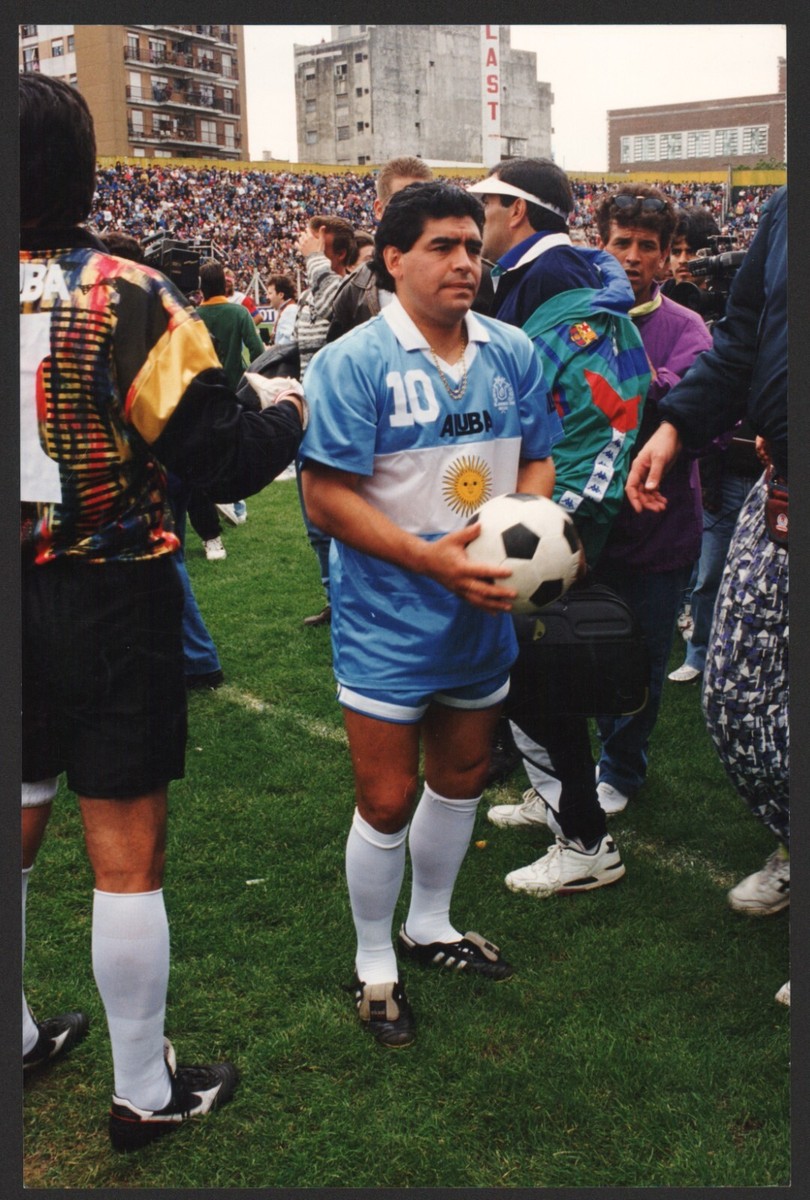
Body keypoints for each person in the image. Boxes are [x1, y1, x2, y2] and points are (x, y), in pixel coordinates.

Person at [20, 74, 306, 1149]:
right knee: (124, 847)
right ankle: (144, 1088)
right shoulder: (131, 294)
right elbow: (216, 454)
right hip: (111, 591)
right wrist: (289, 409)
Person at [299, 182, 563, 1046]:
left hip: (480, 609)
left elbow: (538, 464)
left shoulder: (514, 350)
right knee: (385, 798)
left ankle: (432, 924)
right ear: (394, 258)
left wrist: (517, 542)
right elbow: (325, 494)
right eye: (444, 247)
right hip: (385, 617)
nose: (464, 263)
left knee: (459, 779)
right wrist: (428, 559)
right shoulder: (354, 362)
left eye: (472, 247)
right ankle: (375, 959)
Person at [467, 158, 650, 896]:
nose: (474, 215)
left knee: (540, 671)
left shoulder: (556, 282)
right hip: (535, 502)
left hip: (555, 513)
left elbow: (612, 409)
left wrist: (561, 516)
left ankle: (586, 840)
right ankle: (557, 801)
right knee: (521, 670)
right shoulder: (534, 277)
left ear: (518, 209)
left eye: (485, 202)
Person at [625, 186, 788, 1004]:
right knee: (737, 697)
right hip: (783, 487)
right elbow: (746, 338)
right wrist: (678, 427)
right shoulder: (787, 209)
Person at [586, 185, 712, 814]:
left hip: (658, 530)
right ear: (599, 246)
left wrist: (610, 390)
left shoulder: (686, 328)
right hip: (583, 528)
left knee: (637, 660)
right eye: (620, 243)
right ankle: (576, 770)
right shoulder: (576, 319)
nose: (633, 257)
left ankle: (622, 771)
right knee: (579, 650)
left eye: (648, 247)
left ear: (666, 258)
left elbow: (678, 409)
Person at [294, 215, 358, 626]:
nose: (306, 245)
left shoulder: (348, 286)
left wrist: (315, 259)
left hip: (339, 421)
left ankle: (353, 602)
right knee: (316, 524)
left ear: (337, 253)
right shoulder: (309, 293)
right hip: (306, 420)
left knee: (343, 521)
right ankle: (333, 601)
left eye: (317, 241)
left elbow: (333, 296)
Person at [327, 156, 435, 343]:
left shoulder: (466, 277)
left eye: (424, 202)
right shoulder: (354, 290)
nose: (414, 212)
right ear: (379, 209)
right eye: (402, 201)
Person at [196, 260, 266, 531]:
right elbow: (258, 350)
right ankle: (236, 502)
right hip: (234, 387)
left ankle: (214, 496)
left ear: (201, 287)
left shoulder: (193, 315)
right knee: (234, 446)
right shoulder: (238, 313)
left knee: (206, 444)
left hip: (202, 388)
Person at [266, 274, 298, 345]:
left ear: (281, 295)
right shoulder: (286, 310)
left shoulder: (290, 310)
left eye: (270, 293)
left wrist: (271, 350)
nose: (267, 297)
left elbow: (289, 341)